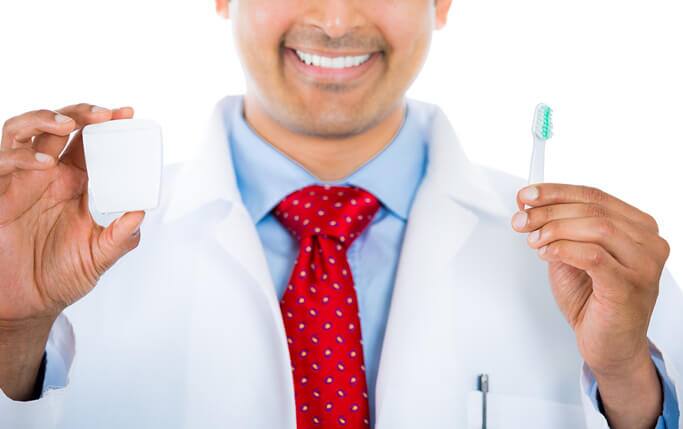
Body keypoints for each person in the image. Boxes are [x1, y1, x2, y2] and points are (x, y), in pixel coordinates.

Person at [0, 1, 681, 428]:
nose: (333, 19)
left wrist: (624, 379)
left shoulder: (592, 272)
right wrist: (13, 330)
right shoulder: (63, 248)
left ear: (442, 2)